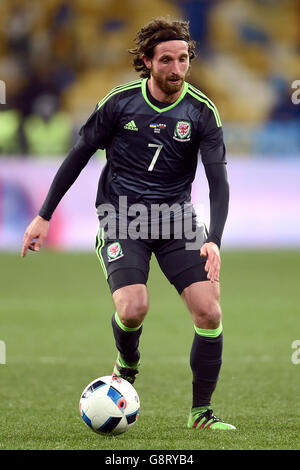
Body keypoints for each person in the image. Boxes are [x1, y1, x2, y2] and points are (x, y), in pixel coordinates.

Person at [21, 17, 235, 431]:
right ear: (147, 62)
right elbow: (78, 155)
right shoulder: (119, 103)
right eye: (167, 60)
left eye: (184, 59)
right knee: (133, 307)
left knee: (209, 312)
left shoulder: (202, 113)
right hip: (123, 218)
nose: (177, 69)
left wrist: (214, 239)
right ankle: (127, 362)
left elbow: (218, 183)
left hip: (177, 221)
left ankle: (201, 414)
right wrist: (44, 214)